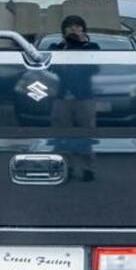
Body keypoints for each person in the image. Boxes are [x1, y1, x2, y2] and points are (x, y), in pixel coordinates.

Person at [50, 15, 100, 181]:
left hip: (84, 96)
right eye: (70, 27)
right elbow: (52, 68)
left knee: (86, 133)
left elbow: (94, 68)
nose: (74, 29)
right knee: (62, 135)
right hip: (62, 97)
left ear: (84, 30)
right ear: (63, 31)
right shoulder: (56, 48)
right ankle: (67, 167)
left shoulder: (92, 47)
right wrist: (65, 46)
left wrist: (82, 44)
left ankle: (88, 168)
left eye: (78, 26)